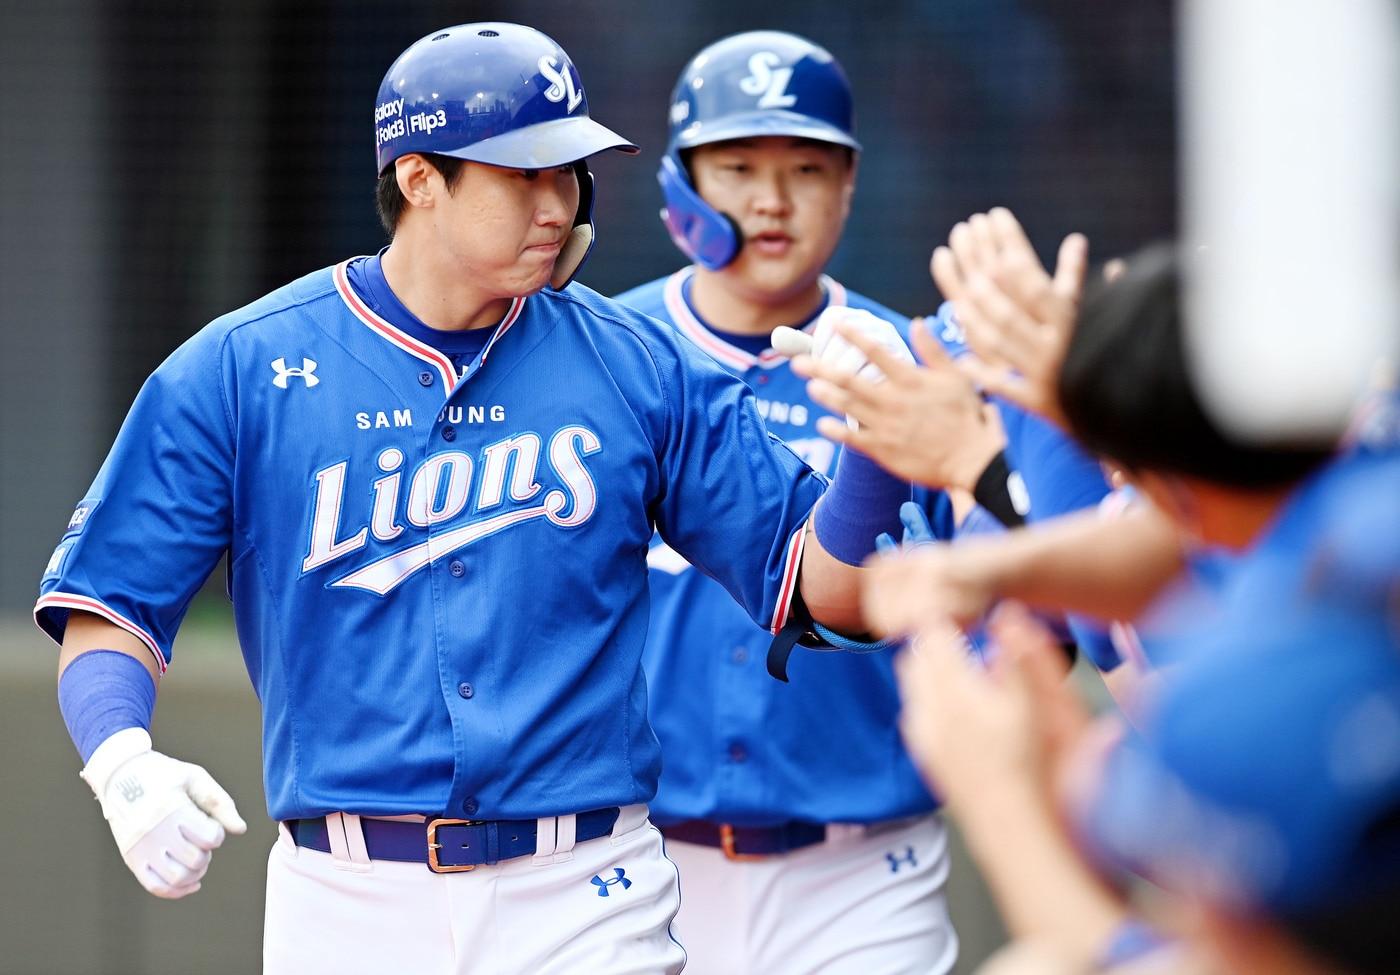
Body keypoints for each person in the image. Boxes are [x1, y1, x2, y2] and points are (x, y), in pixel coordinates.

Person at [36, 23, 915, 975]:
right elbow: (112, 603)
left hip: (586, 888)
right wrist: (123, 764)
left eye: (568, 170)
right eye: (522, 173)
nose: (558, 202)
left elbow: (829, 596)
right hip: (344, 895)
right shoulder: (244, 366)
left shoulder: (637, 361)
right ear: (419, 178)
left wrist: (875, 459)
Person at [613, 30, 965, 974]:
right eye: (736, 165)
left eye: (807, 167)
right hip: (634, 863)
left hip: (863, 870)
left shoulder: (913, 367)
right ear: (681, 185)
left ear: (848, 185)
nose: (771, 198)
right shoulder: (601, 361)